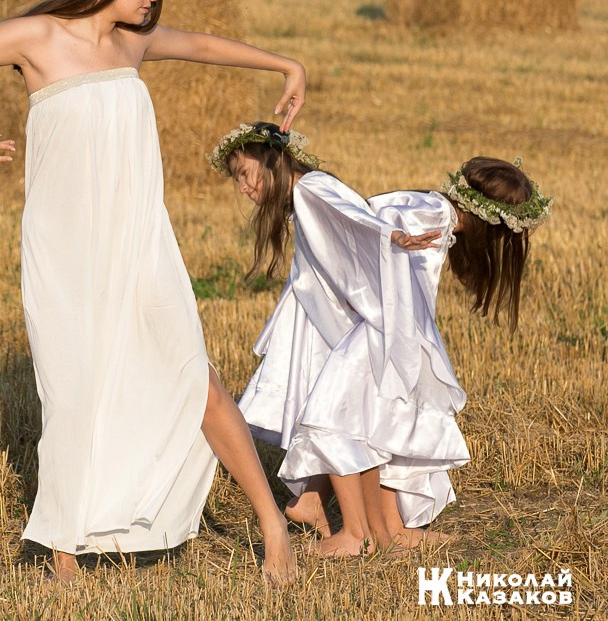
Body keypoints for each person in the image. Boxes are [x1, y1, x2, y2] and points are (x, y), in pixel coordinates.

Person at [0, 0, 306, 584]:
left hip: (140, 240)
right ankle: (63, 550)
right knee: (73, 391)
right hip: (65, 248)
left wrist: (285, 64)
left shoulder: (133, 45)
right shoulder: (38, 37)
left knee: (196, 378)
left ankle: (274, 530)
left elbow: (206, 45)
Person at [210, 122, 552, 556]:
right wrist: (388, 237)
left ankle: (382, 527)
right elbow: (365, 217)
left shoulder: (420, 208)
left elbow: (365, 216)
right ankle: (360, 531)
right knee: (354, 419)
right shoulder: (406, 206)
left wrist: (387, 238)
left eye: (244, 173)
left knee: (382, 420)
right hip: (383, 329)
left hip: (387, 328)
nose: (242, 186)